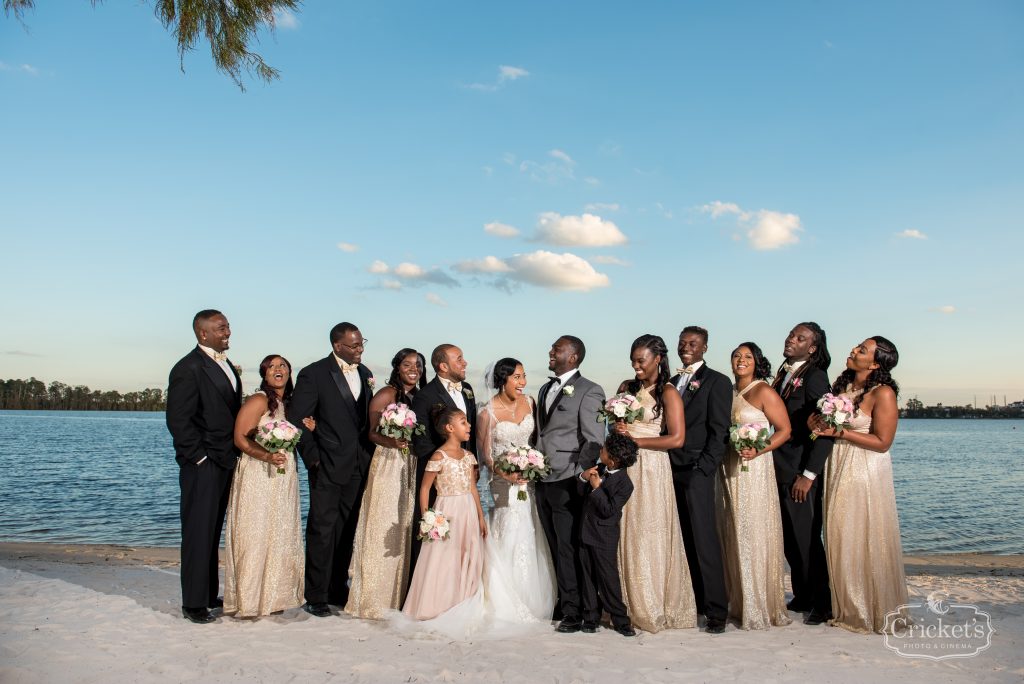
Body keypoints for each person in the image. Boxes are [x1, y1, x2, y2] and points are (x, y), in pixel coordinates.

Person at [812, 336, 909, 634]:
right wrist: (816, 424)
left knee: (861, 532)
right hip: (838, 465)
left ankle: (868, 608)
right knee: (839, 532)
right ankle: (846, 605)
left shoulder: (883, 393)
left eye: (862, 350)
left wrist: (839, 433)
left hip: (864, 469)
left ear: (876, 364)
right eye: (857, 346)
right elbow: (822, 424)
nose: (853, 350)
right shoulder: (842, 388)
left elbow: (883, 442)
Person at [287, 322, 374, 617]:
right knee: (322, 530)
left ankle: (338, 587)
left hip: (358, 464)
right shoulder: (314, 373)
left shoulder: (364, 373)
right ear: (337, 345)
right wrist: (314, 459)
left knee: (347, 529)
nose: (360, 349)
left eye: (362, 343)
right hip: (326, 464)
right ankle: (316, 595)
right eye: (354, 345)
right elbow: (298, 419)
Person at [614, 334, 697, 633]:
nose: (636, 366)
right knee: (626, 530)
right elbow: (616, 426)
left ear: (658, 359)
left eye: (641, 360)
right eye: (633, 361)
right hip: (625, 466)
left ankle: (652, 604)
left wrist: (636, 441)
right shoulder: (626, 388)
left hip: (652, 467)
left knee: (650, 530)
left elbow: (677, 439)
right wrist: (618, 428)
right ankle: (625, 602)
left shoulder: (669, 392)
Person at [166, 309, 242, 624]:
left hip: (225, 460)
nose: (228, 332)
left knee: (211, 531)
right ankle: (194, 604)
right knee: (198, 532)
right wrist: (199, 458)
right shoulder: (188, 368)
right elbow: (178, 420)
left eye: (228, 326)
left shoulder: (225, 364)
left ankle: (209, 594)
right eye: (222, 327)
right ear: (203, 333)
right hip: (203, 465)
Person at [345, 348, 428, 619]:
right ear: (397, 367)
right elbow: (371, 433)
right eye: (407, 364)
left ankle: (400, 595)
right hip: (389, 464)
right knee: (384, 521)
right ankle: (374, 597)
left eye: (418, 365)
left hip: (412, 463)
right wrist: (393, 441)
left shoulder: (420, 396)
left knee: (405, 525)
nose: (414, 369)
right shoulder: (386, 394)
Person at [223, 354, 306, 617]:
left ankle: (273, 598)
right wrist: (267, 456)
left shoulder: (288, 403)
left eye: (283, 365)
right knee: (255, 532)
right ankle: (249, 601)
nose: (278, 369)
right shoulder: (258, 400)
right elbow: (240, 438)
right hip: (258, 473)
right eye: (272, 366)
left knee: (279, 533)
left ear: (289, 372)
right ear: (264, 373)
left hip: (283, 475)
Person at [717, 343, 792, 630]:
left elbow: (784, 430)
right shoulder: (729, 391)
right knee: (731, 528)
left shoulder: (764, 391)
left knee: (752, 529)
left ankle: (758, 602)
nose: (741, 360)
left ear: (757, 362)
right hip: (728, 466)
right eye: (736, 355)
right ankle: (736, 600)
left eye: (748, 356)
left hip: (754, 469)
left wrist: (759, 449)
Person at [476, 358, 556, 624]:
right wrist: (505, 473)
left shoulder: (530, 403)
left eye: (524, 376)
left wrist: (533, 465)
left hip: (528, 483)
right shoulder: (487, 413)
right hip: (502, 484)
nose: (523, 382)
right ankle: (505, 597)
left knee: (530, 532)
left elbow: (536, 440)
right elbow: (486, 456)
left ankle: (531, 597)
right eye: (517, 377)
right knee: (509, 531)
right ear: (503, 380)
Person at [534, 335, 606, 633]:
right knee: (552, 544)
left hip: (568, 479)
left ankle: (576, 612)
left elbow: (594, 439)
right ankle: (564, 601)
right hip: (542, 478)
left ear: (573, 356)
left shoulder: (590, 390)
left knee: (569, 547)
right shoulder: (544, 388)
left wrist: (580, 475)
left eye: (557, 349)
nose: (551, 352)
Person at [667, 325, 731, 634]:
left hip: (696, 470)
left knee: (705, 539)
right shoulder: (671, 382)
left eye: (693, 343)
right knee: (684, 537)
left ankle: (717, 611)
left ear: (705, 347)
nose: (686, 347)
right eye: (682, 343)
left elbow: (720, 431)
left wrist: (704, 468)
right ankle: (697, 602)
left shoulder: (718, 381)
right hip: (669, 468)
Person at [402, 405, 488, 631]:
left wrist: (480, 516)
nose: (469, 426)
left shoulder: (469, 456)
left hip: (468, 509)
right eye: (463, 422)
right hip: (447, 510)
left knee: (467, 552)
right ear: (449, 428)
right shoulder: (439, 456)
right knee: (444, 556)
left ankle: (463, 599)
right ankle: (439, 603)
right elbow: (424, 489)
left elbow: (472, 487)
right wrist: (427, 518)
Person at [771, 322, 834, 625]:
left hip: (800, 469)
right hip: (779, 465)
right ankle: (803, 595)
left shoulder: (815, 376)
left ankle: (823, 603)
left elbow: (825, 430)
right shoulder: (783, 373)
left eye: (800, 338)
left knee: (806, 538)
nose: (791, 340)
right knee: (789, 538)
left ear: (812, 348)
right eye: (790, 335)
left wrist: (809, 475)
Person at [410, 344, 477, 570]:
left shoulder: (467, 390)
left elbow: (472, 431)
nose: (465, 362)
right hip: (439, 476)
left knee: (463, 532)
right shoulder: (425, 396)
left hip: (465, 471)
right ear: (443, 366)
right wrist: (445, 464)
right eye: (459, 359)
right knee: (435, 532)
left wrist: (472, 464)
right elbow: (421, 440)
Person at [577, 433, 638, 637]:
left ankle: (620, 619)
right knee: (587, 577)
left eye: (603, 450)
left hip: (604, 537)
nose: (600, 450)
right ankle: (590, 617)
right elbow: (580, 493)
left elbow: (609, 510)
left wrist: (597, 488)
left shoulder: (625, 484)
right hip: (586, 532)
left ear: (613, 460)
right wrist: (583, 477)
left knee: (608, 578)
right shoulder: (599, 468)